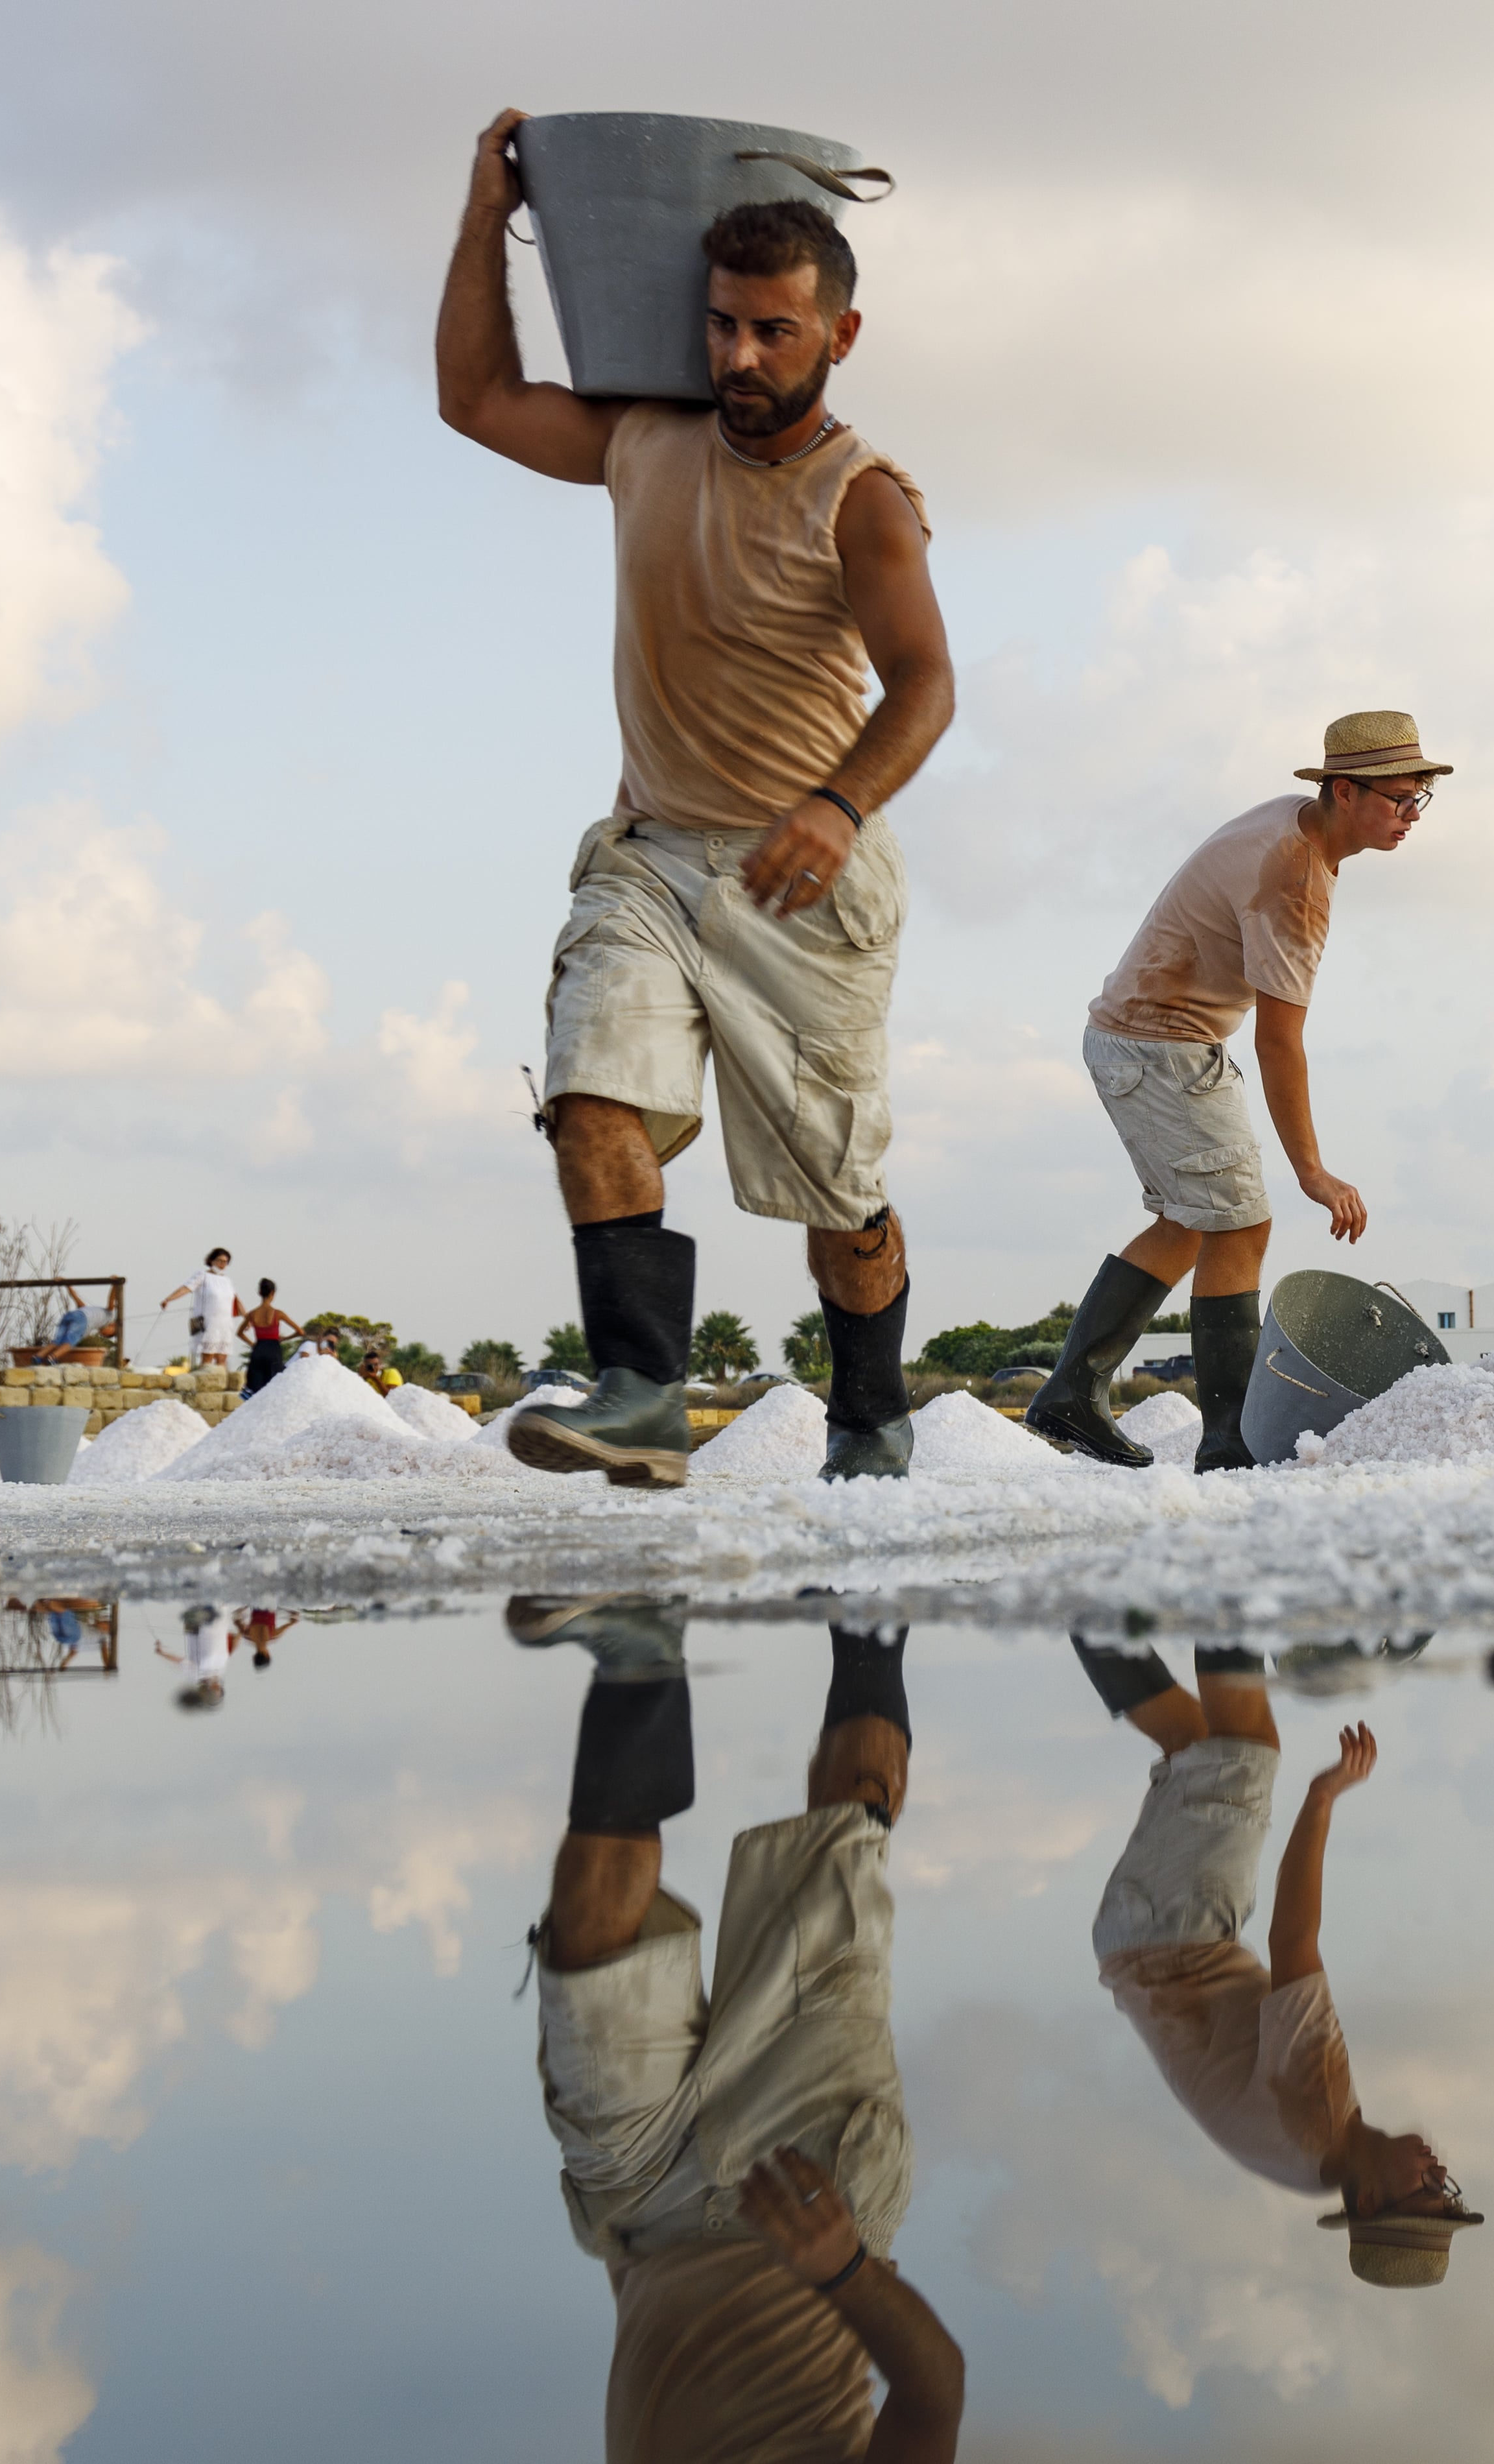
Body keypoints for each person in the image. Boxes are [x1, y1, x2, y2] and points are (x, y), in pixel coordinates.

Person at [437, 111, 957, 1488]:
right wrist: (488, 216)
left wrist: (839, 806)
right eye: (723, 324)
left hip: (807, 881)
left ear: (839, 338)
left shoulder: (864, 499)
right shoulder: (645, 437)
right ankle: (641, 1397)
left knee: (840, 1210)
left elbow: (923, 687)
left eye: (773, 332)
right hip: (652, 855)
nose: (737, 356)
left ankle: (870, 1413)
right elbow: (475, 400)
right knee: (589, 1097)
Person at [514, 1596, 965, 2457]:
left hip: (641, 2203)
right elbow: (933, 2389)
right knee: (840, 1843)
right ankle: (869, 1592)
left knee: (589, 1950)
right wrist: (842, 2268)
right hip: (814, 2204)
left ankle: (638, 1653)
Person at [1030, 713, 1443, 1470]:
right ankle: (1227, 1443)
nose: (1411, 816)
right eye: (1399, 800)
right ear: (1344, 792)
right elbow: (1279, 1042)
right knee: (1242, 1226)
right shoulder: (1294, 877)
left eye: (1421, 799)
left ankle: (1070, 1392)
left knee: (1197, 1224)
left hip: (1147, 1038)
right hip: (1162, 1044)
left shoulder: (1296, 827)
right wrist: (1313, 1170)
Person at [1074, 1640, 1484, 2287]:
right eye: (1449, 2188)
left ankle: (1226, 1592)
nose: (1439, 2171)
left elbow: (1294, 1941)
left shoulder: (1319, 2116)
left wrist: (1325, 1796)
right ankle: (1087, 1601)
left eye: (1430, 2190)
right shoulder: (1308, 2161)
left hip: (1175, 1936)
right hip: (1149, 1944)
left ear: (1372, 2200)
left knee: (1248, 1748)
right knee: (1196, 1741)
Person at [161, 1249, 237, 1369]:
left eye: (225, 1262)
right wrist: (169, 1299)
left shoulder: (227, 1281)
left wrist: (247, 1316)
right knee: (208, 1356)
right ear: (212, 1260)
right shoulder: (203, 1276)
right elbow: (186, 1288)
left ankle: (220, 1383)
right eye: (220, 1261)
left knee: (222, 1357)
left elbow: (236, 1300)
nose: (222, 1265)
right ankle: (205, 1380)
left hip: (225, 1323)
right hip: (208, 1322)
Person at [234, 1282, 299, 1396]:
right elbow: (300, 1332)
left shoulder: (252, 1314)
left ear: (259, 1293)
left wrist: (253, 1344)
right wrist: (285, 1338)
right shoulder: (278, 1314)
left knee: (256, 1386)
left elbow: (239, 1333)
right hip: (273, 1349)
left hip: (259, 1349)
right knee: (274, 1384)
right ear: (273, 1293)